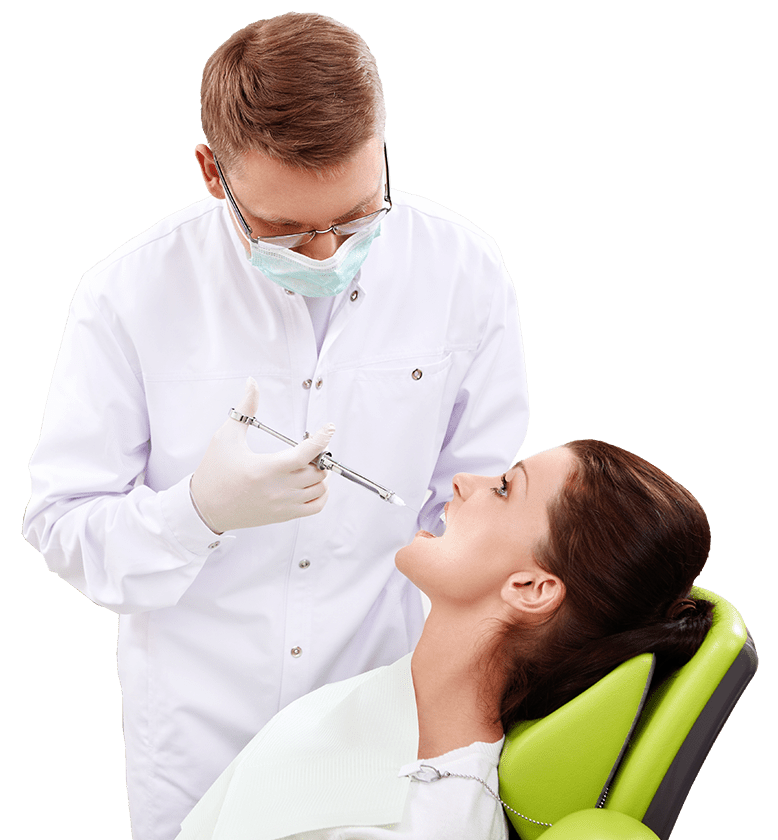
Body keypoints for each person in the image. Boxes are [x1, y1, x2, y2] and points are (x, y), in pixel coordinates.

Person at [21, 12, 528, 840]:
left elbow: (473, 513)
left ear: (384, 146)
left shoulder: (464, 270)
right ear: (211, 172)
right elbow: (61, 524)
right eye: (286, 231)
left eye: (357, 216)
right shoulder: (126, 293)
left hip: (384, 718)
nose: (327, 254)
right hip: (201, 737)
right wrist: (197, 512)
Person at [172, 440, 712, 840]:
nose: (463, 482)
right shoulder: (388, 700)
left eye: (505, 489)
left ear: (530, 588)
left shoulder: (430, 822)